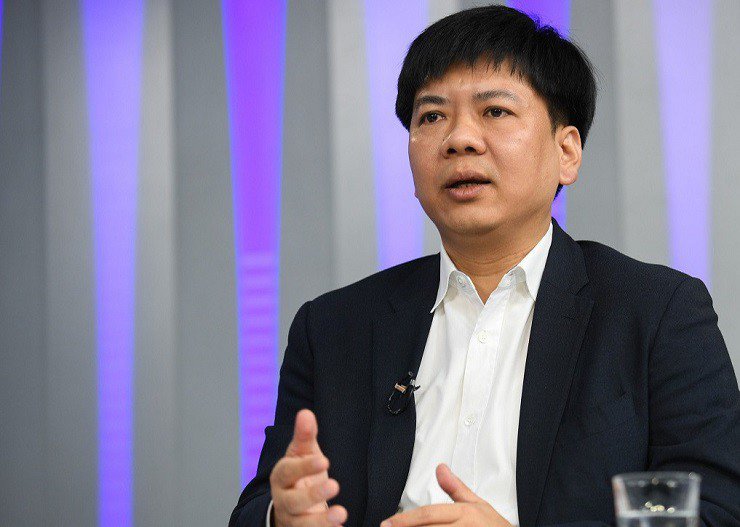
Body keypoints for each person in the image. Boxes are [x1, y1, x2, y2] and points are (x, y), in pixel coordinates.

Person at [230, 5, 740, 527]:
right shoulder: (333, 328)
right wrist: (282, 516)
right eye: (431, 117)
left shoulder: (656, 313)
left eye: (495, 111)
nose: (459, 139)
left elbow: (718, 510)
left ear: (566, 152)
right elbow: (257, 506)